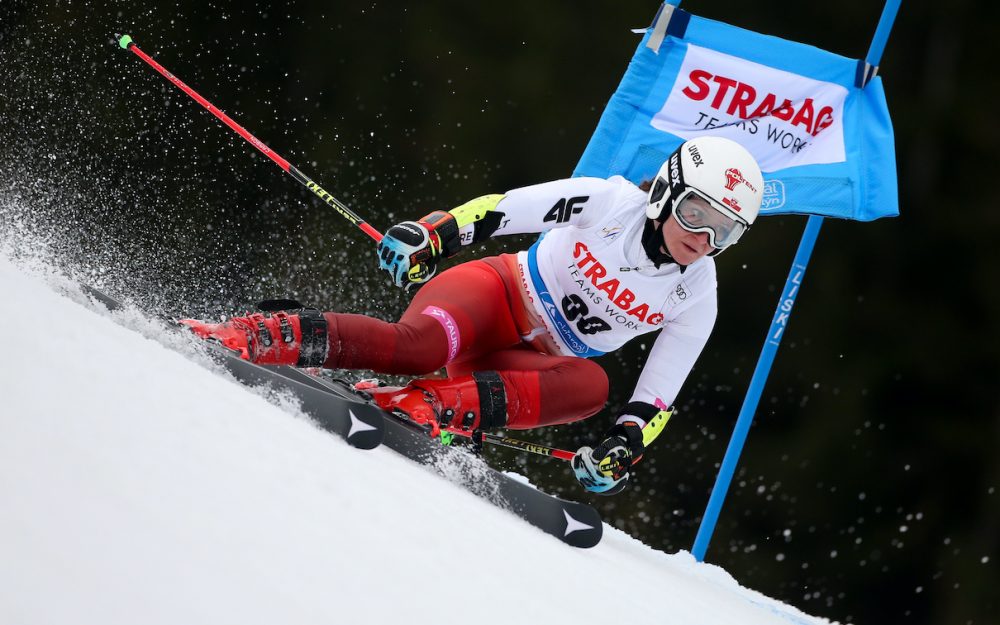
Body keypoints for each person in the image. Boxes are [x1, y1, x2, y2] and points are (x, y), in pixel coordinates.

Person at [182, 135, 764, 495]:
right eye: (696, 212)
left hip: (526, 361)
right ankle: (262, 334)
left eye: (726, 230)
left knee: (592, 385)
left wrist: (623, 447)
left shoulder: (697, 295)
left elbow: (656, 397)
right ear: (667, 190)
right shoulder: (611, 201)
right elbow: (503, 211)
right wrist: (433, 235)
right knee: (420, 348)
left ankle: (425, 406)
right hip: (496, 296)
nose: (704, 237)